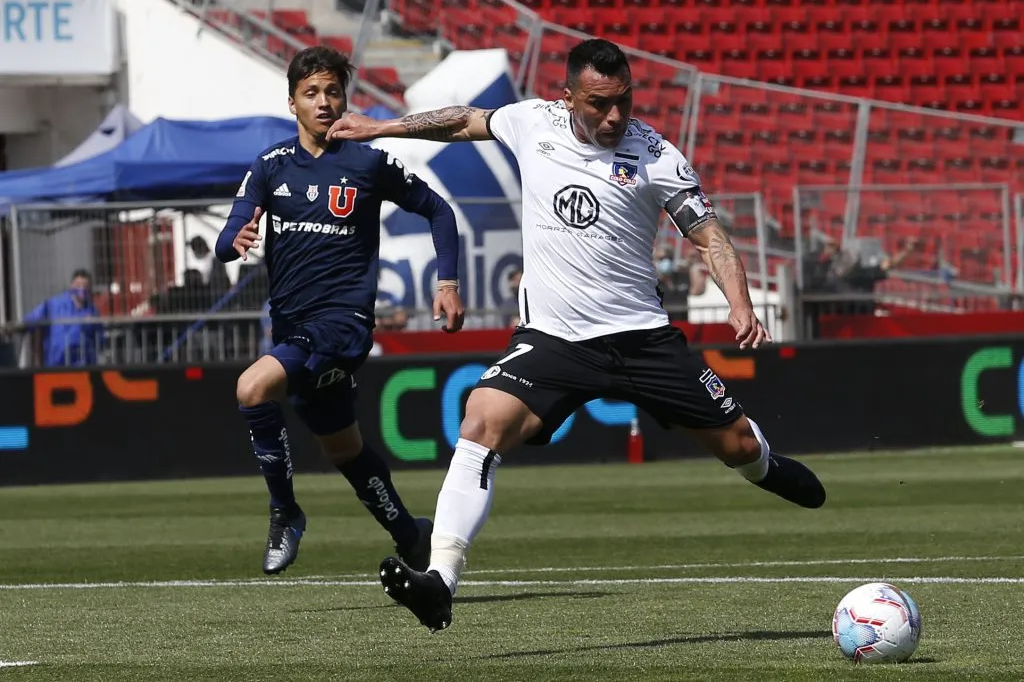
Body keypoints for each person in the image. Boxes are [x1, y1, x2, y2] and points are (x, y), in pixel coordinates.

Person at [330, 38, 826, 631]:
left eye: (623, 100)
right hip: (555, 339)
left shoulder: (656, 155)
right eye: (598, 104)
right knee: (480, 421)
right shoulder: (530, 122)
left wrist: (739, 303)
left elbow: (710, 236)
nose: (614, 116)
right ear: (567, 98)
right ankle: (439, 582)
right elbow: (462, 119)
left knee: (738, 446)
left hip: (642, 338)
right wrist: (379, 127)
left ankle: (766, 467)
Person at [215, 46, 466, 576]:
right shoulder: (270, 166)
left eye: (333, 91)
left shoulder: (368, 160)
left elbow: (438, 210)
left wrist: (447, 281)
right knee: (344, 450)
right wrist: (232, 237)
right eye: (312, 93)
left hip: (342, 326)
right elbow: (226, 235)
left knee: (251, 388)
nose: (325, 102)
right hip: (292, 328)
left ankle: (285, 511)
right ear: (293, 103)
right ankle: (410, 534)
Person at [23, 269, 103, 367]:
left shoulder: (92, 311)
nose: (82, 289)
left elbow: (100, 339)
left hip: (82, 368)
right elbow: (32, 318)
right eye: (78, 285)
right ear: (71, 286)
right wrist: (22, 326)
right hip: (56, 365)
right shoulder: (54, 305)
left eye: (85, 286)